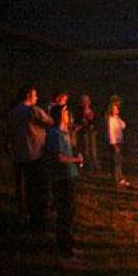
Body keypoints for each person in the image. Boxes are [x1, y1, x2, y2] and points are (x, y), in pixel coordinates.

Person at [6, 85, 54, 229]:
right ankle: (37, 217)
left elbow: (9, 132)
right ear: (28, 95)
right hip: (34, 154)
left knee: (21, 186)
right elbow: (50, 122)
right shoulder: (33, 110)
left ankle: (22, 214)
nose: (37, 97)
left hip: (18, 154)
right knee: (35, 187)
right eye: (35, 94)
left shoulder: (13, 112)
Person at [45, 103, 84, 261]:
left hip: (69, 176)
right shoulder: (55, 134)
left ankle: (69, 247)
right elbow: (59, 158)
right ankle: (65, 253)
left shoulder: (63, 132)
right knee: (64, 215)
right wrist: (76, 159)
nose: (69, 114)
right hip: (62, 179)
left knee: (70, 214)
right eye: (66, 112)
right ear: (60, 116)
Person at [106, 98, 129, 188]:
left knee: (119, 161)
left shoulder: (117, 118)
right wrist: (113, 144)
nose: (116, 110)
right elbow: (111, 132)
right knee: (115, 162)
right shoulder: (110, 119)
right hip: (115, 143)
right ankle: (116, 180)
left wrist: (118, 117)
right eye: (114, 109)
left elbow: (123, 125)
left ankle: (120, 178)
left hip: (120, 142)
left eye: (117, 109)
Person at [72, 94, 98, 171]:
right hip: (84, 132)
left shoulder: (92, 110)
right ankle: (88, 164)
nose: (86, 102)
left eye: (87, 100)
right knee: (85, 149)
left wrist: (93, 126)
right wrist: (81, 124)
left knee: (93, 149)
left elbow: (95, 121)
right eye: (84, 101)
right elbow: (78, 122)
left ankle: (95, 164)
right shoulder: (79, 112)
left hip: (91, 132)